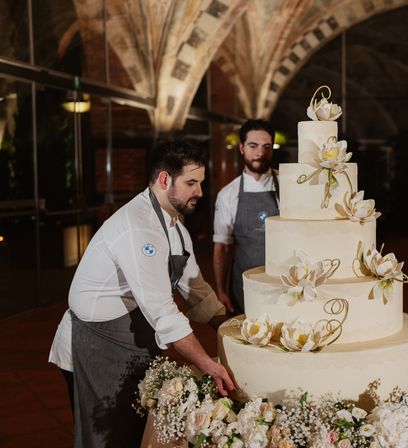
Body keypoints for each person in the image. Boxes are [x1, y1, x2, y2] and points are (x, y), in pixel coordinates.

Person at [56, 138, 235, 448]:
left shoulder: (175, 226)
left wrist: (232, 328)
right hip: (97, 343)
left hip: (131, 336)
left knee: (134, 429)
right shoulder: (139, 227)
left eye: (201, 183)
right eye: (192, 183)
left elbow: (195, 287)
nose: (200, 193)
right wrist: (208, 364)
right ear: (165, 180)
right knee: (107, 437)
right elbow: (164, 312)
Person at [212, 119, 279, 314]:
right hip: (244, 287)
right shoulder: (228, 194)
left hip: (284, 284)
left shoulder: (287, 185)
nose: (260, 153)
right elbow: (222, 247)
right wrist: (220, 290)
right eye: (253, 146)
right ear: (241, 148)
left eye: (267, 146)